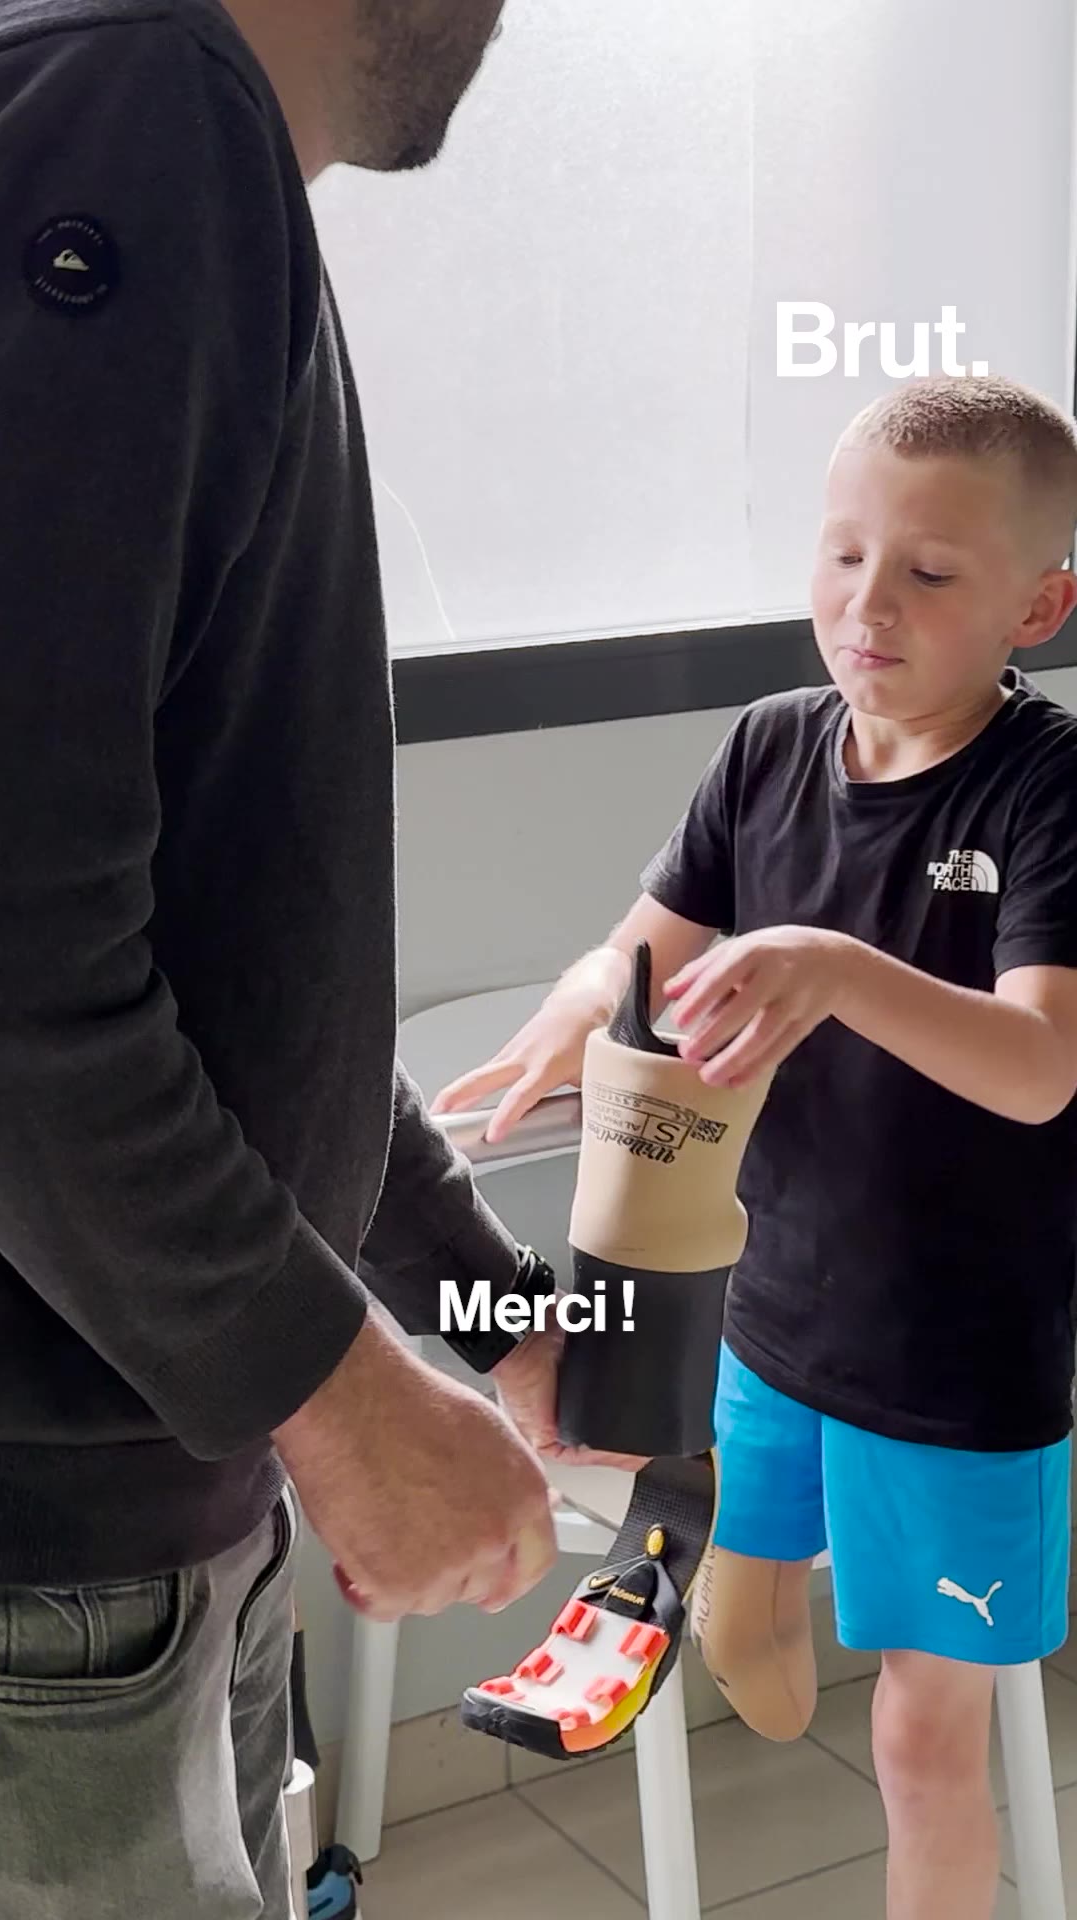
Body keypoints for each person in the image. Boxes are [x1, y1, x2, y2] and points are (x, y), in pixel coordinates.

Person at [0, 2, 626, 1914]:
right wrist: (343, 1393)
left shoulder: (163, 139)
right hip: (54, 1581)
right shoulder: (141, 111)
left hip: (154, 1531)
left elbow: (242, 982)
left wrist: (498, 1311)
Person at [434, 372, 1077, 1919]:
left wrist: (840, 972)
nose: (869, 602)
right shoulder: (770, 746)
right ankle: (758, 1615)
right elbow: (638, 952)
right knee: (731, 1619)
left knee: (923, 1738)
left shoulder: (1047, 789)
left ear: (1038, 606)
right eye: (843, 554)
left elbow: (1045, 1067)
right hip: (767, 1317)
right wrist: (573, 1014)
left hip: (959, 1362)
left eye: (929, 573)